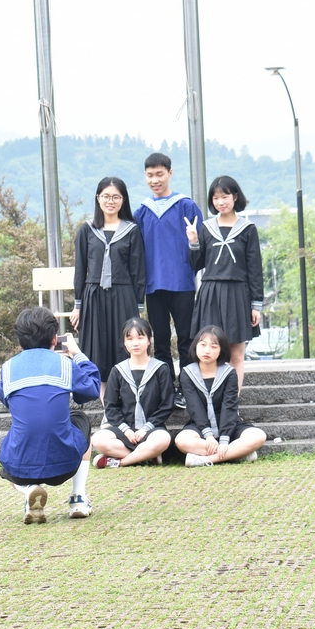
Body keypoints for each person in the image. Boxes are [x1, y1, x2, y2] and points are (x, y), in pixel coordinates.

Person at [0, 307, 100, 524]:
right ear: (55, 339)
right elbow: (92, 389)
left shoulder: (7, 369)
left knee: (12, 445)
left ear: (20, 341)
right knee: (81, 420)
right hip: (65, 463)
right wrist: (77, 354)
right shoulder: (65, 365)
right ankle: (78, 498)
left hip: (20, 467)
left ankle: (29, 490)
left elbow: (6, 399)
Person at [134, 153, 203, 409]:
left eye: (159, 174)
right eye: (150, 175)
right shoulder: (141, 212)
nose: (155, 180)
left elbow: (200, 248)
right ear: (145, 176)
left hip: (182, 282)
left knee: (186, 338)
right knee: (160, 340)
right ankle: (165, 390)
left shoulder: (186, 206)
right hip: (153, 286)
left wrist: (194, 242)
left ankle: (187, 388)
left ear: (170, 173)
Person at [70, 177, 146, 403]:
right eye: (106, 196)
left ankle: (125, 398)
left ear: (123, 200)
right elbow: (80, 270)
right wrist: (77, 305)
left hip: (123, 296)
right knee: (99, 349)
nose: (110, 201)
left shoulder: (131, 231)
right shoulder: (87, 230)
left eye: (115, 197)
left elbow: (138, 271)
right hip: (93, 297)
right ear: (98, 198)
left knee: (123, 346)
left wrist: (138, 307)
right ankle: (107, 406)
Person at [184, 175, 263, 391]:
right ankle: (212, 399)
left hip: (238, 294)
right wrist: (193, 241)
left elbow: (255, 269)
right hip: (211, 294)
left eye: (225, 196)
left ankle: (231, 403)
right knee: (210, 352)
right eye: (216, 198)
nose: (220, 202)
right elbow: (197, 264)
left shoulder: (247, 229)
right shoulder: (206, 228)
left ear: (235, 197)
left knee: (236, 354)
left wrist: (256, 305)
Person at [175, 325, 266, 466]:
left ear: (221, 350)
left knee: (258, 436)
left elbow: (229, 406)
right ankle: (237, 454)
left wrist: (224, 439)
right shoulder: (187, 373)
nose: (207, 350)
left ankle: (206, 460)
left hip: (229, 423)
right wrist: (208, 435)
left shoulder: (229, 373)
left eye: (213, 346)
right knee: (181, 440)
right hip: (200, 424)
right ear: (195, 346)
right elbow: (194, 407)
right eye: (203, 345)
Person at [92, 318, 173, 468]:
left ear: (149, 340)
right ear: (124, 342)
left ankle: (121, 462)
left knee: (163, 439)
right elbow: (110, 406)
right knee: (98, 439)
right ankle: (147, 456)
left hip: (152, 428)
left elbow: (167, 405)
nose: (135, 343)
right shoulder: (118, 371)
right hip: (125, 429)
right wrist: (126, 430)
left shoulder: (161, 368)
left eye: (140, 337)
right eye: (129, 339)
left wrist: (146, 428)